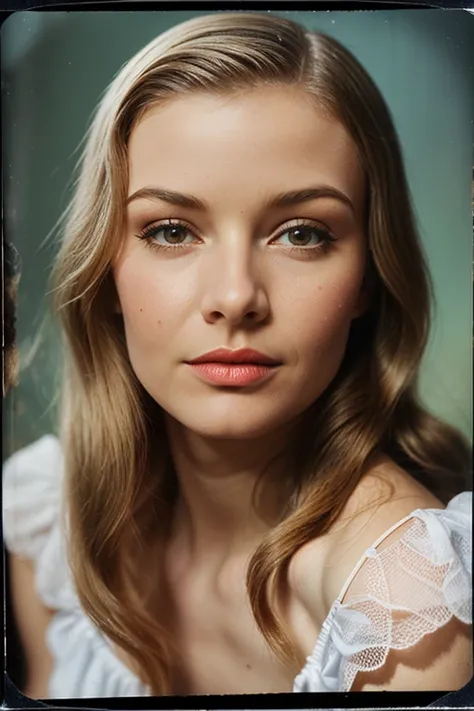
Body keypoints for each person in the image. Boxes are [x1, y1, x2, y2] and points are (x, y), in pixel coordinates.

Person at [3, 12, 472, 699]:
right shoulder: (46, 520)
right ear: (105, 268)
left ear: (369, 276)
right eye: (170, 230)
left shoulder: (404, 603)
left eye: (302, 233)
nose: (235, 296)